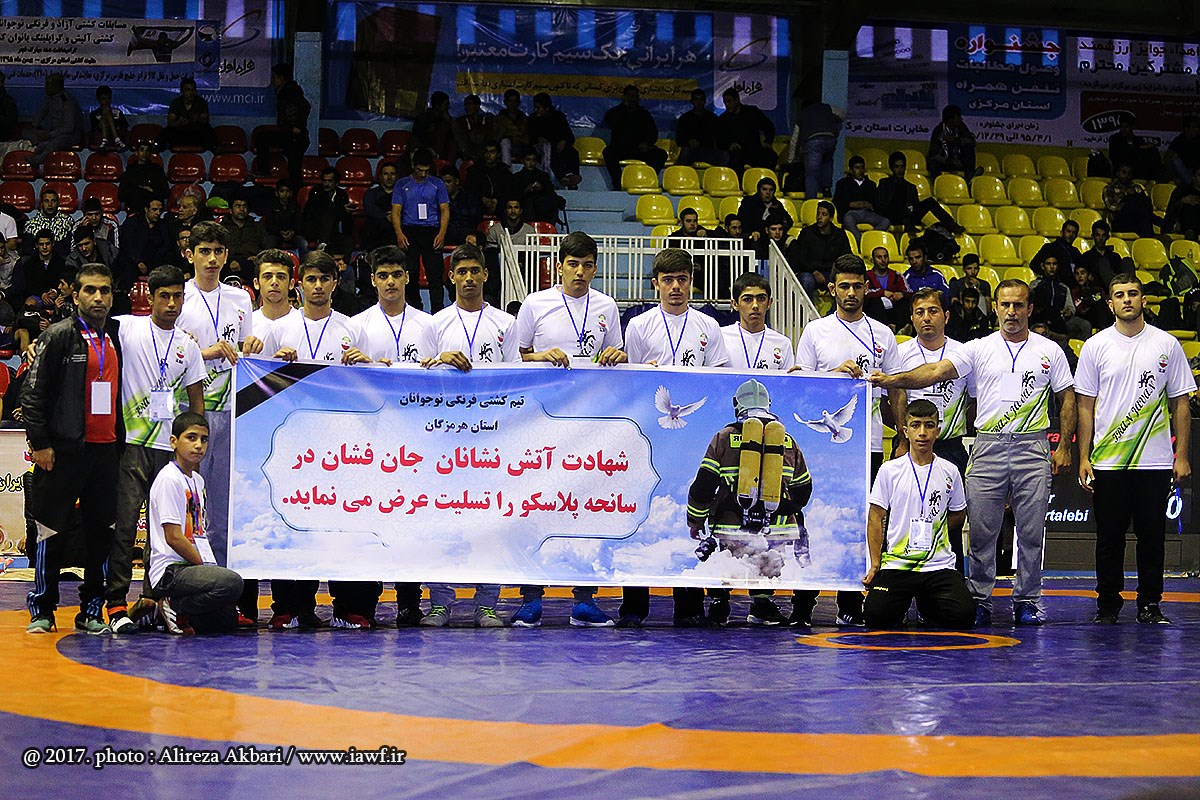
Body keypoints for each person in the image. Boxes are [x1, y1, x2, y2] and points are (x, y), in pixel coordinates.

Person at [869, 279, 1076, 626]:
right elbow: (935, 371)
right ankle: (980, 599)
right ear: (995, 308)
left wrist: (1064, 446)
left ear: (1029, 309)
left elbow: (1067, 396)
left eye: (1018, 305)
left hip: (1032, 446)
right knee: (981, 532)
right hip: (988, 445)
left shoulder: (1049, 350)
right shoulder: (978, 349)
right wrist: (891, 380)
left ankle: (1027, 600)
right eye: (1005, 305)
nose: (1012, 312)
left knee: (1030, 533)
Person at [506, 232, 626, 627]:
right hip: (541, 421)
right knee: (533, 505)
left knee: (588, 507)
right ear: (559, 266)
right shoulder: (535, 304)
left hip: (591, 422)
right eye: (573, 264)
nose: (580, 272)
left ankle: (585, 600)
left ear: (595, 268)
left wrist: (618, 354)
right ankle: (530, 600)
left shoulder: (607, 306)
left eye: (587, 265)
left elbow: (620, 355)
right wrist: (541, 355)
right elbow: (515, 358)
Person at [258, 251, 375, 629]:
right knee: (293, 519)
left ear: (335, 283)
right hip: (294, 442)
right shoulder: (280, 329)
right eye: (311, 279)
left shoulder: (352, 329)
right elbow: (260, 387)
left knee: (346, 521)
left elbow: (371, 386)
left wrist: (366, 364)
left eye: (325, 279)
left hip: (343, 442)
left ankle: (349, 606)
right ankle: (290, 606)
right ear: (299, 285)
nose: (318, 286)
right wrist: (276, 364)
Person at [792, 253, 907, 628]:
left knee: (861, 523)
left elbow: (896, 389)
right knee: (813, 517)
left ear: (867, 288)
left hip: (868, 443)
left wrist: (902, 436)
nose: (852, 292)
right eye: (844, 286)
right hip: (822, 448)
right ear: (832, 289)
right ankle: (803, 603)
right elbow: (800, 386)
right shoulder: (816, 331)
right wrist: (832, 374)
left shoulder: (883, 334)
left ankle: (851, 603)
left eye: (858, 286)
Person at [620, 248, 732, 626]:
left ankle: (689, 606)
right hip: (649, 435)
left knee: (688, 510)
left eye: (682, 279)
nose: (675, 287)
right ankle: (634, 607)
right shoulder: (639, 326)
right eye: (668, 280)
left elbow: (719, 382)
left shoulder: (708, 326)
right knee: (643, 511)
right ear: (655, 284)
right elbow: (631, 384)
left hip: (691, 436)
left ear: (691, 282)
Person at [1078, 274, 1194, 627]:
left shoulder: (1167, 344)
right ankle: (1108, 605)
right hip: (1108, 461)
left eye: (1133, 293)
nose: (1126, 299)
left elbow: (1181, 402)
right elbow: (1086, 406)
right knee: (1109, 539)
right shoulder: (1095, 346)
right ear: (1110, 303)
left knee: (1152, 538)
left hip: (1154, 461)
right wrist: (1083, 456)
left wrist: (1181, 455)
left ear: (1144, 300)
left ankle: (1150, 604)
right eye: (1119, 295)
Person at [105, 265, 207, 634]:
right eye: (164, 296)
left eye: (178, 296)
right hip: (133, 445)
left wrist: (193, 450)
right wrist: (38, 342)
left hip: (170, 451)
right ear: (150, 297)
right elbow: (84, 328)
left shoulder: (188, 346)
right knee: (124, 527)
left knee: (164, 533)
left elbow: (197, 402)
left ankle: (153, 600)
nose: (171, 303)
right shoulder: (126, 327)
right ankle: (116, 603)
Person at [22, 265, 122, 634]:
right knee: (51, 530)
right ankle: (42, 610)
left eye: (105, 291)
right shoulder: (59, 335)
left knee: (102, 533)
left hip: (105, 451)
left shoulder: (116, 336)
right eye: (90, 290)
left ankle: (91, 610)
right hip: (63, 451)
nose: (98, 297)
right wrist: (41, 444)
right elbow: (33, 394)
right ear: (76, 295)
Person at [687, 377, 814, 625]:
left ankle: (719, 606)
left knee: (725, 562)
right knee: (768, 562)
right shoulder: (787, 441)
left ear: (737, 404)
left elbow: (703, 486)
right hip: (775, 526)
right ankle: (762, 606)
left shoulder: (724, 438)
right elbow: (803, 489)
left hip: (731, 525)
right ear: (768, 404)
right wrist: (783, 508)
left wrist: (696, 520)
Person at [175, 222, 263, 581]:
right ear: (189, 255)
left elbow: (245, 347)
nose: (211, 259)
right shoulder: (178, 296)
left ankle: (222, 577)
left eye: (218, 252)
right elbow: (166, 352)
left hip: (230, 409)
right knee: (185, 495)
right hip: (187, 409)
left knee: (224, 499)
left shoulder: (240, 299)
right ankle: (183, 576)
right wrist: (203, 352)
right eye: (204, 251)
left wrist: (252, 345)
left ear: (226, 256)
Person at [863, 399, 975, 629]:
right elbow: (875, 517)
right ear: (905, 431)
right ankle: (903, 605)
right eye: (915, 425)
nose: (922, 432)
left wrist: (935, 533)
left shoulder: (950, 470)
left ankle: (927, 604)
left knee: (963, 615)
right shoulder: (889, 470)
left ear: (938, 431)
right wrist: (875, 564)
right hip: (898, 564)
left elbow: (958, 513)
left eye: (929, 425)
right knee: (876, 616)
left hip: (938, 565)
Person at [897, 288, 975, 571]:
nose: (926, 318)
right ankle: (904, 579)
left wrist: (953, 425)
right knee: (906, 515)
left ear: (946, 316)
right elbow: (892, 400)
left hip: (950, 447)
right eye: (919, 312)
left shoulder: (963, 353)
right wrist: (902, 438)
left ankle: (951, 581)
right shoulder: (900, 354)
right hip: (910, 446)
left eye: (932, 311)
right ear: (912, 318)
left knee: (952, 515)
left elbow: (973, 400)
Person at [145, 412, 244, 634]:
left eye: (204, 439)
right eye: (191, 438)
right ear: (174, 442)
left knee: (226, 620)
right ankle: (174, 605)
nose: (199, 445)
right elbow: (173, 537)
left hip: (191, 567)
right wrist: (204, 566)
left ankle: (165, 613)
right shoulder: (169, 479)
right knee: (232, 583)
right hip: (171, 570)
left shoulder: (197, 480)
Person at [392, 148, 450, 313]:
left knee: (435, 275)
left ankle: (438, 312)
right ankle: (414, 309)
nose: (423, 174)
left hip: (431, 231)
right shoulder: (402, 184)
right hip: (409, 231)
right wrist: (399, 234)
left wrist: (442, 234)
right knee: (410, 274)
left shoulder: (437, 184)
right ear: (413, 165)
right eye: (420, 170)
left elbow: (445, 209)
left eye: (426, 171)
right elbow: (396, 211)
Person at [876, 152, 962, 235]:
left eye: (902, 166)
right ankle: (907, 222)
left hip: (909, 216)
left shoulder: (910, 187)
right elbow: (881, 204)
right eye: (897, 167)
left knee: (930, 201)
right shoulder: (884, 183)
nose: (900, 170)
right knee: (897, 201)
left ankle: (952, 225)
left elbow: (915, 206)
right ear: (891, 168)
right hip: (891, 215)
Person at [601, 85, 667, 189]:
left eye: (636, 96)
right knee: (608, 152)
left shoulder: (644, 114)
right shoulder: (616, 112)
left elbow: (653, 133)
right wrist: (624, 108)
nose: (633, 99)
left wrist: (647, 144)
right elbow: (611, 122)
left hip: (640, 150)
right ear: (624, 97)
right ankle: (619, 183)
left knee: (661, 154)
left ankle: (647, 181)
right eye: (630, 96)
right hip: (621, 149)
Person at [256, 63, 310, 184]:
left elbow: (305, 106)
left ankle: (264, 171)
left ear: (281, 78)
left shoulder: (289, 91)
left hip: (295, 137)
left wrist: (298, 126)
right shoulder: (287, 90)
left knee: (294, 172)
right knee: (293, 170)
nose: (273, 81)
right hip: (292, 135)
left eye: (274, 77)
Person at [789, 200, 851, 296]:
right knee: (806, 280)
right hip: (810, 272)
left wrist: (834, 273)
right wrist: (814, 271)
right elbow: (800, 257)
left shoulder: (840, 235)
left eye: (824, 214)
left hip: (832, 272)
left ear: (831, 218)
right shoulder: (807, 233)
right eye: (818, 213)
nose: (819, 217)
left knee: (843, 281)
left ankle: (837, 306)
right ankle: (806, 306)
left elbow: (846, 257)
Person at [717, 88, 777, 175]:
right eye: (725, 102)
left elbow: (768, 126)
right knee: (734, 160)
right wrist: (729, 145)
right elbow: (720, 139)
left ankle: (765, 180)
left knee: (771, 156)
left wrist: (768, 142)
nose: (727, 105)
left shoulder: (752, 112)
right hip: (737, 152)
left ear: (737, 100)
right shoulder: (723, 119)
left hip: (754, 149)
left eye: (729, 101)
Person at [29, 74, 85, 167]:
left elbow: (69, 128)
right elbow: (41, 112)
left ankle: (38, 161)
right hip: (54, 134)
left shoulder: (67, 102)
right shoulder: (51, 99)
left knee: (54, 143)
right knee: (36, 140)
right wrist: (33, 126)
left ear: (56, 86)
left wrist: (50, 135)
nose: (45, 87)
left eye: (48, 85)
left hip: (70, 136)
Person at [1032, 255, 1091, 341]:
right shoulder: (1035, 285)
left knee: (1085, 325)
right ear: (1042, 266)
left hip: (1060, 318)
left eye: (1054, 264)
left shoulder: (1063, 287)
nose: (1052, 267)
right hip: (1040, 317)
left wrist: (1069, 311)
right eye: (1048, 264)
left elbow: (1071, 307)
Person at [117, 198, 171, 291]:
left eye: (160, 210)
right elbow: (127, 245)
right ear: (146, 209)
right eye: (154, 209)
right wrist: (139, 261)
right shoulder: (132, 222)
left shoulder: (163, 225)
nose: (158, 213)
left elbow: (165, 246)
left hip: (155, 263)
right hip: (133, 261)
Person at [529, 93, 580, 189]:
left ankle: (572, 177)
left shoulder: (558, 117)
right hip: (543, 150)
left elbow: (569, 136)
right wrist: (538, 139)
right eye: (535, 107)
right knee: (551, 153)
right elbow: (529, 138)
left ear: (547, 108)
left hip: (559, 147)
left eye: (538, 108)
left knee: (573, 152)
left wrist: (563, 141)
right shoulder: (533, 119)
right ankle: (562, 178)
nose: (536, 110)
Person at [835, 156, 890, 244]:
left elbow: (877, 203)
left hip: (868, 213)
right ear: (851, 170)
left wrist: (870, 205)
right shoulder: (843, 184)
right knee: (848, 219)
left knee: (885, 221)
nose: (860, 170)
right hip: (851, 213)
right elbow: (837, 201)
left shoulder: (871, 184)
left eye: (862, 167)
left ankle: (868, 239)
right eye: (857, 168)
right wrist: (850, 204)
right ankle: (862, 242)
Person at [794, 98, 841, 198]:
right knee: (827, 162)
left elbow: (795, 139)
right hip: (830, 138)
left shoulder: (803, 115)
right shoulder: (826, 108)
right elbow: (843, 114)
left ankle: (811, 199)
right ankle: (827, 190)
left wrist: (791, 159)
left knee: (811, 174)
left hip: (813, 141)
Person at [1104, 163, 1162, 238]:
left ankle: (1149, 240)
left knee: (1144, 217)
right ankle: (1161, 223)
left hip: (1137, 220)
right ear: (1117, 173)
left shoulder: (1136, 187)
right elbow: (1111, 207)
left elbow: (1148, 205)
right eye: (1124, 172)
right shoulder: (1109, 188)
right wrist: (1127, 197)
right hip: (1121, 221)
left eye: (1129, 173)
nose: (1126, 176)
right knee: (1132, 202)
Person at [301, 167, 353, 251]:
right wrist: (340, 209)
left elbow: (344, 216)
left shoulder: (342, 194)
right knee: (329, 214)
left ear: (336, 182)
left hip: (332, 232)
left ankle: (341, 261)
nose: (326, 184)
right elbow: (316, 212)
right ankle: (323, 243)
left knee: (348, 241)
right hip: (313, 229)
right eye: (324, 181)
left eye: (330, 181)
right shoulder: (316, 192)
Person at [158, 77, 215, 152]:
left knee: (207, 129)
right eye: (188, 90)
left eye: (193, 90)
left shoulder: (201, 102)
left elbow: (205, 120)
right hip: (180, 132)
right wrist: (179, 122)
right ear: (182, 91)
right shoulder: (176, 103)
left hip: (196, 132)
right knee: (167, 131)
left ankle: (215, 149)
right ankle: (156, 148)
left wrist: (197, 119)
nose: (191, 93)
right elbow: (171, 122)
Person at [675, 88, 727, 167]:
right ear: (692, 101)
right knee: (685, 152)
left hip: (708, 152)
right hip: (691, 151)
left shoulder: (712, 118)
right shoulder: (685, 119)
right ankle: (679, 174)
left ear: (705, 101)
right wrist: (689, 141)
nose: (699, 102)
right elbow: (679, 139)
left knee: (724, 155)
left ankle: (719, 175)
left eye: (701, 99)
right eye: (696, 99)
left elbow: (718, 137)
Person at [223, 198, 269, 283]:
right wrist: (230, 260)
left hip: (251, 263)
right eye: (238, 206)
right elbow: (217, 248)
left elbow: (266, 247)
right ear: (230, 210)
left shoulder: (257, 227)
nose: (242, 209)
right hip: (227, 262)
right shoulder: (222, 228)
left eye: (244, 206)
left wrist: (258, 256)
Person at [865, 245, 911, 329]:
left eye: (885, 257)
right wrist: (882, 293)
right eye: (879, 257)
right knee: (875, 302)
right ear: (872, 260)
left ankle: (901, 329)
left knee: (904, 302)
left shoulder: (897, 275)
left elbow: (909, 292)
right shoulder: (866, 276)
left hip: (893, 310)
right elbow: (863, 293)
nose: (883, 260)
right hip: (875, 312)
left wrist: (901, 294)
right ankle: (882, 329)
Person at [511, 150, 562, 223]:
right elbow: (514, 196)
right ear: (523, 161)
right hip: (525, 208)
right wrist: (527, 190)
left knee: (552, 201)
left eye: (533, 160)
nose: (531, 163)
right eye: (528, 160)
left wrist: (541, 188)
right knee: (528, 203)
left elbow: (550, 192)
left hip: (542, 206)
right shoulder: (516, 177)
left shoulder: (543, 175)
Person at [464, 140, 512, 217]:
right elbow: (469, 190)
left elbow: (509, 191)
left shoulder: (504, 171)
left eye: (492, 152)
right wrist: (482, 198)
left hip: (499, 205)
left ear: (498, 154)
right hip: (479, 205)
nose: (488, 155)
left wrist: (496, 200)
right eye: (486, 151)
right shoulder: (475, 170)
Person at [927, 105, 977, 179]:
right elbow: (933, 154)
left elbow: (972, 142)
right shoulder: (939, 130)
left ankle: (970, 178)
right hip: (945, 162)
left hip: (959, 162)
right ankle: (939, 183)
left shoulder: (961, 127)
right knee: (933, 163)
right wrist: (949, 161)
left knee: (969, 148)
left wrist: (955, 140)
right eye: (958, 116)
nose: (961, 119)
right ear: (950, 120)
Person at [118, 142, 170, 212]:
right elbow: (121, 195)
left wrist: (152, 190)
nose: (145, 153)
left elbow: (166, 192)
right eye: (142, 150)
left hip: (153, 209)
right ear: (136, 153)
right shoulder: (129, 171)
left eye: (147, 150)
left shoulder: (157, 170)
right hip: (135, 208)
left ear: (150, 153)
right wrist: (140, 190)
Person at [738, 177, 793, 242]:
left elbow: (788, 222)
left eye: (771, 190)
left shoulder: (777, 205)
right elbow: (741, 223)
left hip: (772, 240)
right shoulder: (748, 203)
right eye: (764, 189)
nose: (768, 193)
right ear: (759, 191)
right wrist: (750, 233)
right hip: (752, 239)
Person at [362, 161, 401, 250]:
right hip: (375, 232)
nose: (389, 177)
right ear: (380, 177)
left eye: (392, 174)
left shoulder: (403, 194)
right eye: (386, 174)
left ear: (397, 177)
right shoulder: (370, 193)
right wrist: (386, 216)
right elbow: (370, 209)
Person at [441, 167, 482, 247]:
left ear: (457, 181)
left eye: (448, 181)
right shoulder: (439, 200)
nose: (445, 185)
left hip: (466, 236)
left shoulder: (470, 198)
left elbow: (476, 219)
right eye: (442, 182)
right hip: (445, 237)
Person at [263, 180, 306, 255]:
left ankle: (304, 262)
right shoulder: (271, 206)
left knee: (304, 244)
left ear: (291, 193)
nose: (285, 194)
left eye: (287, 191)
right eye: (282, 191)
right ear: (277, 193)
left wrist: (293, 232)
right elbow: (269, 224)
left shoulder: (295, 206)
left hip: (293, 234)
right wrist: (279, 232)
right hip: (276, 234)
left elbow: (299, 222)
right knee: (268, 244)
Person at [903, 242, 950, 308]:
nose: (914, 261)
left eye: (918, 257)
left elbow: (946, 296)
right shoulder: (905, 278)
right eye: (911, 259)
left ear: (925, 257)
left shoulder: (936, 274)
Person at [412, 91, 455, 163]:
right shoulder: (423, 118)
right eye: (446, 104)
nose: (448, 107)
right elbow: (417, 136)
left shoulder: (445, 119)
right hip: (426, 146)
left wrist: (449, 121)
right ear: (437, 105)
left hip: (444, 149)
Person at [452, 94, 494, 163]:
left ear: (477, 106)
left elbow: (488, 136)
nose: (467, 107)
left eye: (469, 104)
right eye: (465, 105)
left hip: (483, 152)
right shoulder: (460, 121)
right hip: (467, 152)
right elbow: (461, 140)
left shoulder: (486, 120)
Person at [1070, 263, 1113, 332]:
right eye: (1077, 274)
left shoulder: (1098, 289)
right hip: (1084, 318)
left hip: (1100, 316)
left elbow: (1106, 307)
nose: (1080, 276)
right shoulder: (1074, 291)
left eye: (1082, 273)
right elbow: (1081, 310)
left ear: (1089, 275)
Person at [494, 88, 531, 166]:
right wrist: (514, 136)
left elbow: (527, 139)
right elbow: (497, 138)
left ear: (519, 103)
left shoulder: (524, 118)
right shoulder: (499, 119)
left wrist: (512, 136)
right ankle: (506, 169)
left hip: (522, 148)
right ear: (505, 102)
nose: (513, 104)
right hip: (505, 151)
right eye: (510, 101)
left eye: (515, 101)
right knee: (505, 142)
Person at [89, 85, 129, 151]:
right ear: (98, 99)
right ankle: (116, 140)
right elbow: (95, 130)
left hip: (114, 138)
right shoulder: (94, 114)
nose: (106, 101)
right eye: (103, 99)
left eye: (108, 98)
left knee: (108, 113)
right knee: (106, 113)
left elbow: (124, 129)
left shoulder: (118, 113)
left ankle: (109, 141)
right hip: (100, 139)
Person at [1164, 165, 1200, 239]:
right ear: (1193, 178)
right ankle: (1190, 232)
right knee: (1189, 207)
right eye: (1199, 175)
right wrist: (1182, 201)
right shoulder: (1182, 191)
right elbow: (1171, 210)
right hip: (1185, 225)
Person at [1164, 117, 1200, 185]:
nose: (1197, 129)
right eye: (1193, 127)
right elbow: (1167, 158)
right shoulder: (1179, 140)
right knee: (1176, 161)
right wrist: (1173, 176)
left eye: (1197, 127)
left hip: (1197, 171)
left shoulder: (1198, 139)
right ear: (1186, 129)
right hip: (1185, 172)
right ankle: (1191, 184)